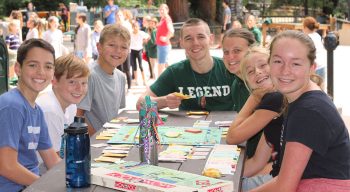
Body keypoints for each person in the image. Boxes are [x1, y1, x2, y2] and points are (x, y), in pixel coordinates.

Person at [251, 30, 350, 192]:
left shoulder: (308, 112)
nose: (285, 70)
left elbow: (284, 187)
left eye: (295, 63)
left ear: (312, 68)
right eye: (278, 61)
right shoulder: (303, 100)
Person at [0, 38, 61, 191]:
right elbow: (6, 166)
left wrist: (79, 174)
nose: (41, 72)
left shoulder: (37, 110)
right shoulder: (12, 105)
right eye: (33, 65)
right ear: (18, 69)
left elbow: (52, 159)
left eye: (48, 66)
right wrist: (46, 186)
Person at [136, 18, 235, 111]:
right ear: (182, 43)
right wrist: (164, 101)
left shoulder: (228, 68)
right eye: (188, 39)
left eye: (200, 37)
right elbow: (140, 103)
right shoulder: (175, 72)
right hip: (188, 128)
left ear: (211, 39)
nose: (195, 43)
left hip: (227, 128)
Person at [225, 46, 284, 191]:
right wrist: (224, 176)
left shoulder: (276, 98)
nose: (258, 72)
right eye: (250, 72)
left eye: (263, 65)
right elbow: (257, 162)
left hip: (302, 177)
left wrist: (254, 97)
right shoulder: (272, 101)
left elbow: (232, 137)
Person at [77, 24, 129, 136]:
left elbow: (113, 115)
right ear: (99, 47)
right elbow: (78, 116)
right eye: (112, 45)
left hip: (110, 138)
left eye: (124, 47)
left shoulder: (121, 77)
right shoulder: (89, 75)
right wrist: (100, 137)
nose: (118, 51)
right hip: (94, 143)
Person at [36, 54, 90, 156]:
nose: (80, 88)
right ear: (54, 81)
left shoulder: (70, 105)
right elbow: (54, 161)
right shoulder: (50, 110)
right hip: (40, 170)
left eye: (84, 83)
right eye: (72, 82)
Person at [222, 28, 260, 158]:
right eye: (226, 52)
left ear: (251, 51)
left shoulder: (262, 86)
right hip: (251, 154)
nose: (230, 57)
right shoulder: (236, 84)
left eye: (237, 51)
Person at [302, 16, 326, 81]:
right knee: (320, 88)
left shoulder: (306, 38)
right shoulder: (317, 35)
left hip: (314, 68)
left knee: (311, 89)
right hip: (322, 65)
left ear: (305, 27)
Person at [156, 3, 174, 76]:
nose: (161, 11)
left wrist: (166, 38)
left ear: (167, 10)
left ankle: (159, 83)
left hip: (164, 46)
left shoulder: (167, 19)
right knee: (166, 64)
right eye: (160, 9)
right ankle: (175, 78)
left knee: (161, 65)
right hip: (161, 45)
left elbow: (172, 31)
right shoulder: (162, 18)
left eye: (163, 9)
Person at [130, 20, 149, 86]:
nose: (135, 28)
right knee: (134, 66)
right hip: (132, 50)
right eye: (134, 26)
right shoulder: (130, 33)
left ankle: (144, 80)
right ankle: (136, 80)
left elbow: (148, 36)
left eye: (136, 26)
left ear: (138, 27)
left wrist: (144, 41)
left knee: (140, 65)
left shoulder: (141, 33)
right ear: (132, 27)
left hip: (139, 50)